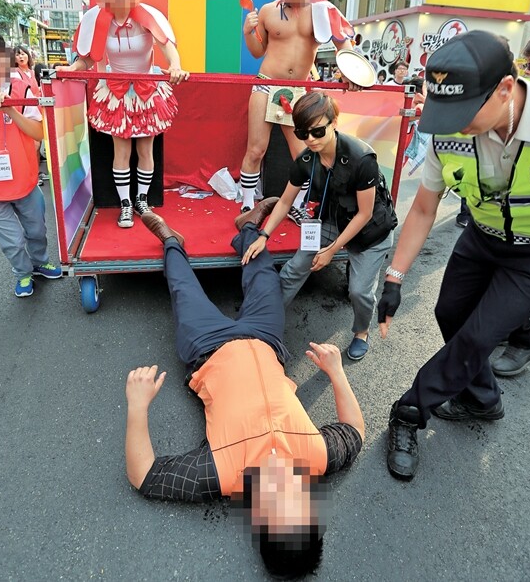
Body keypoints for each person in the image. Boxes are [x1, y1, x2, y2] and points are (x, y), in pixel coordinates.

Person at [125, 201, 364, 578]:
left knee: (183, 285)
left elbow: (145, 476)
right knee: (266, 276)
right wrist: (337, 373)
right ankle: (248, 228)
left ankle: (171, 239)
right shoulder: (318, 456)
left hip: (206, 348)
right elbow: (355, 433)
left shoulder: (222, 473)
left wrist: (137, 407)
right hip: (265, 339)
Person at [377, 30, 530, 481]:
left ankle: (410, 411)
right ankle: (482, 399)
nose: (451, 124)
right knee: (449, 312)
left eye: (463, 111)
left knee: (476, 337)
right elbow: (422, 207)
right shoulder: (445, 131)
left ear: (506, 89)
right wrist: (394, 277)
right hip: (482, 236)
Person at [241, 92, 397, 362]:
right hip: (332, 219)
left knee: (359, 291)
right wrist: (264, 235)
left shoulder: (362, 159)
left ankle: (361, 332)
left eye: (317, 131)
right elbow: (284, 201)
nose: (310, 139)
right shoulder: (306, 160)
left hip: (370, 230)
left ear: (334, 122)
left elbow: (365, 213)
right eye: (303, 133)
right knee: (293, 269)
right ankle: (265, 321)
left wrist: (332, 250)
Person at [67, 0, 189, 229]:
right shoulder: (96, 19)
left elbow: (167, 45)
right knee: (121, 152)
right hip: (115, 91)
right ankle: (125, 204)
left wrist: (175, 66)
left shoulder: (148, 15)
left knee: (145, 151)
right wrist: (72, 68)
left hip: (147, 92)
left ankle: (142, 200)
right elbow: (86, 58)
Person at [239, 0, 356, 225]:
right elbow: (258, 51)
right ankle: (246, 206)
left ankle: (301, 204)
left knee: (304, 153)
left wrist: (350, 72)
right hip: (266, 84)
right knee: (256, 149)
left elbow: (345, 45)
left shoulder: (324, 11)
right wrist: (247, 31)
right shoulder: (268, 10)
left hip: (299, 91)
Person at [0, 24, 62, 298]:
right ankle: (23, 272)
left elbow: (39, 132)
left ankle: (40, 262)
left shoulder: (21, 85)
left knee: (37, 230)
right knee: (13, 242)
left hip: (25, 179)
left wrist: (9, 109)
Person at [490, 29, 530, 376]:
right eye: (522, 65)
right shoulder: (527, 102)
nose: (526, 72)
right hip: (509, 217)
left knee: (515, 283)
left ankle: (524, 341)